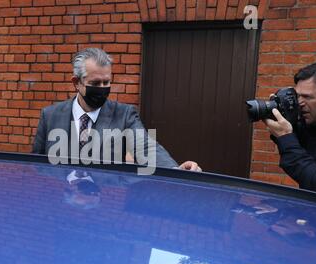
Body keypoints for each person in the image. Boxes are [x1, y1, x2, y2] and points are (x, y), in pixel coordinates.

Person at [33, 47, 201, 172]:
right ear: (76, 82)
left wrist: (174, 170)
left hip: (101, 205)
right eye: (95, 83)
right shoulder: (50, 115)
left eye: (106, 82)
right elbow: (36, 164)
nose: (102, 88)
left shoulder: (124, 114)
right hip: (61, 205)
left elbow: (146, 147)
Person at [263, 61, 316, 194]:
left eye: (307, 97)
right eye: (297, 96)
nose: (299, 103)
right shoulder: (314, 124)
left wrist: (286, 138)